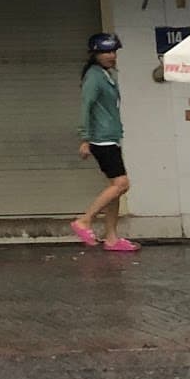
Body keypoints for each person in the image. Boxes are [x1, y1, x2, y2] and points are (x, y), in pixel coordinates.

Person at [72, 32, 139, 252]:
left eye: (113, 51)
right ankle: (85, 220)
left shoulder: (106, 74)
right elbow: (86, 106)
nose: (111, 56)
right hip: (101, 140)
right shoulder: (94, 76)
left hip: (110, 137)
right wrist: (85, 138)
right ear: (95, 54)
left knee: (114, 188)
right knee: (122, 184)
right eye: (105, 52)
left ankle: (111, 237)